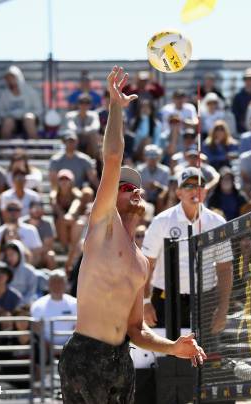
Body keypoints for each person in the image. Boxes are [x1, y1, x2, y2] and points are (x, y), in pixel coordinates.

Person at [58, 66, 206, 404]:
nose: (133, 191)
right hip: (85, 355)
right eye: (125, 187)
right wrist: (115, 106)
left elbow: (136, 331)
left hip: (120, 361)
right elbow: (112, 158)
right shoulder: (102, 229)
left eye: (137, 187)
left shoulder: (141, 262)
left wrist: (172, 348)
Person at [142, 166, 233, 333]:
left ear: (205, 191)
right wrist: (145, 302)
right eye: (188, 186)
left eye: (199, 186)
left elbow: (225, 268)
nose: (195, 190)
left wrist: (223, 309)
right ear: (179, 193)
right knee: (164, 356)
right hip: (165, 299)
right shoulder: (162, 221)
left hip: (204, 300)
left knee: (203, 356)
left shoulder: (217, 223)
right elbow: (146, 264)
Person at [31, 269, 77, 346]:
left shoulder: (75, 303)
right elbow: (36, 329)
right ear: (48, 284)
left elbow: (77, 327)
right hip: (45, 351)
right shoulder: (38, 305)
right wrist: (48, 348)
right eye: (54, 282)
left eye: (60, 282)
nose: (57, 285)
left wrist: (68, 348)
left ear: (66, 284)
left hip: (71, 348)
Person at [0, 65, 42, 139]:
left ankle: (35, 146)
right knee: (8, 122)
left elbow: (39, 110)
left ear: (18, 78)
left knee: (29, 118)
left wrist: (25, 114)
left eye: (12, 78)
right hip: (13, 122)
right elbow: (0, 112)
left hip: (28, 121)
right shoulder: (4, 95)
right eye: (7, 79)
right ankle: (3, 148)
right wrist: (12, 115)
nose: (10, 81)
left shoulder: (31, 92)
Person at [64, 92, 101, 159]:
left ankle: (95, 159)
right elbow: (71, 127)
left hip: (89, 142)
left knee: (94, 135)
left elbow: (96, 126)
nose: (84, 105)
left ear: (90, 105)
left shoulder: (94, 114)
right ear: (78, 104)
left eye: (87, 103)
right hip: (76, 139)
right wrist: (83, 130)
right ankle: (72, 158)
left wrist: (85, 130)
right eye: (81, 102)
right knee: (72, 136)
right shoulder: (70, 115)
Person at [232, 67, 251, 134]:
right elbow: (235, 112)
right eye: (246, 79)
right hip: (242, 128)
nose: (249, 81)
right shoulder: (238, 96)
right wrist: (242, 122)